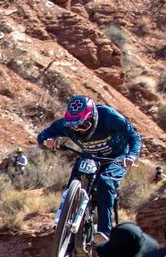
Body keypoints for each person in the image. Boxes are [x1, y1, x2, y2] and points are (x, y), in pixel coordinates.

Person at [36, 95, 142, 230]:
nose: (78, 129)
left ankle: (104, 231)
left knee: (105, 182)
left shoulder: (109, 117)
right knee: (79, 170)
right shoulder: (67, 124)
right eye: (73, 126)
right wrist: (48, 139)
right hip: (91, 155)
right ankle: (64, 214)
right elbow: (44, 134)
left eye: (83, 125)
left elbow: (134, 137)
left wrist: (131, 155)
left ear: (92, 117)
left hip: (117, 157)